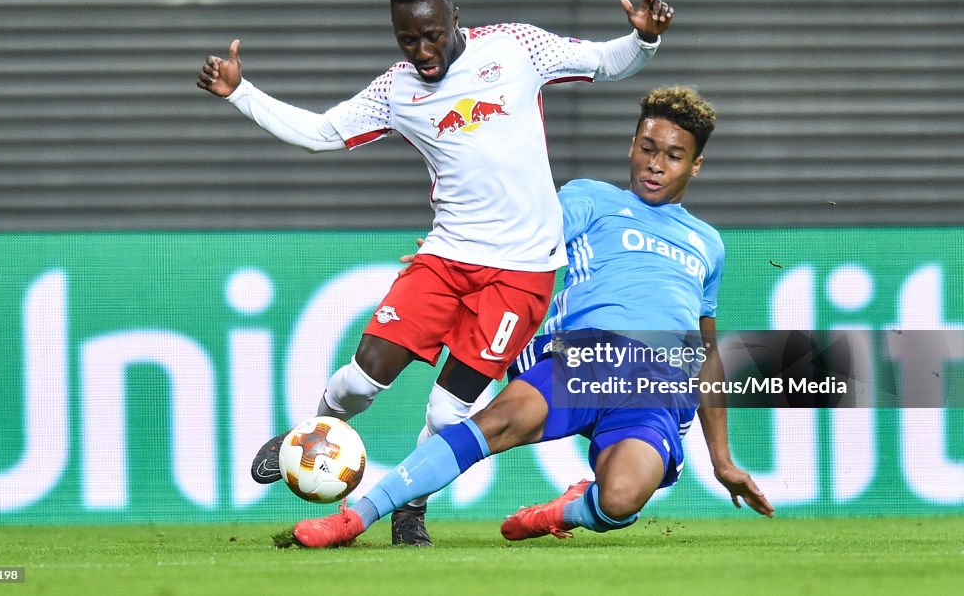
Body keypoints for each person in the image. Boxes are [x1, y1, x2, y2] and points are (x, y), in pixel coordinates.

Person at [198, 0, 674, 546]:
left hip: (522, 273)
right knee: (364, 375)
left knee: (451, 414)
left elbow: (605, 61)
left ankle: (410, 509)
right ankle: (313, 432)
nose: (423, 52)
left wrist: (643, 40)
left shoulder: (516, 48)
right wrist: (242, 93)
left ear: (454, 18)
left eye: (431, 35)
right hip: (447, 256)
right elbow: (322, 133)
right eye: (407, 40)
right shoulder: (396, 91)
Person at [285, 85, 775, 549]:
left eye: (673, 155)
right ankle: (354, 518)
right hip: (590, 357)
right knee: (489, 425)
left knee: (621, 500)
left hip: (659, 384)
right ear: (632, 145)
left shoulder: (708, 243)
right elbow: (520, 237)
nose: (655, 164)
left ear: (697, 165)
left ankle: (564, 512)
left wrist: (723, 460)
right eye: (648, 148)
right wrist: (456, 252)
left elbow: (706, 352)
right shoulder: (592, 199)